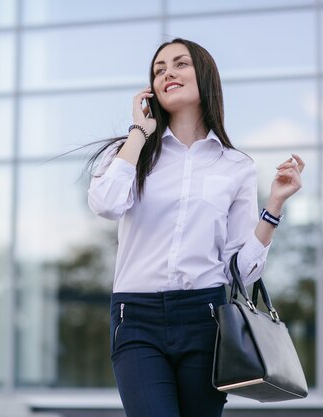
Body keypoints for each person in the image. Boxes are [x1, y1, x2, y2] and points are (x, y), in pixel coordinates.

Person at [87, 38, 305, 417]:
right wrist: (139, 132)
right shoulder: (130, 151)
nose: (168, 72)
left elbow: (243, 269)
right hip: (136, 317)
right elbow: (105, 204)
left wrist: (273, 207)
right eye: (159, 70)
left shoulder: (235, 165)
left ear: (204, 77)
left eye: (180, 64)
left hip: (204, 316)